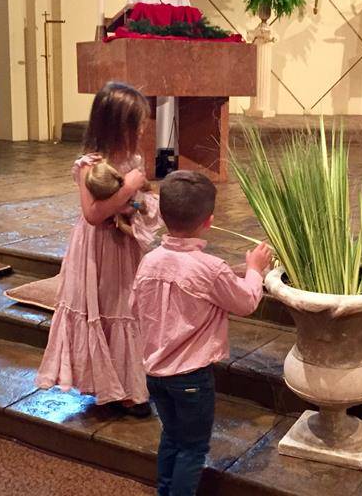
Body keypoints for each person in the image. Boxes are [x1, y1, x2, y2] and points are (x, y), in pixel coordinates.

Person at [131, 170, 273, 495]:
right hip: (191, 378)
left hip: (154, 372)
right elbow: (247, 301)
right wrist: (255, 269)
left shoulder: (149, 261)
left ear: (164, 216)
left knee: (171, 436)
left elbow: (136, 306)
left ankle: (164, 490)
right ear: (208, 220)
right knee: (192, 449)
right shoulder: (211, 269)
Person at [35, 81, 152, 416]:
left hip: (123, 245)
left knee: (124, 306)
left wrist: (138, 204)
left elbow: (136, 201)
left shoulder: (134, 158)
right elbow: (93, 213)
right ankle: (104, 384)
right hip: (96, 248)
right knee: (100, 307)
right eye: (136, 123)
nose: (142, 129)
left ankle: (128, 387)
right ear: (116, 125)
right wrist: (127, 188)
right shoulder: (90, 164)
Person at [127, 0, 190, 162]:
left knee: (173, 104)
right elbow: (130, 20)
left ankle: (171, 154)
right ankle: (150, 155)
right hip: (148, 63)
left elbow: (190, 22)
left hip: (175, 61)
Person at [84, 159, 164, 251]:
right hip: (154, 210)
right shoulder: (132, 184)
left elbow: (130, 229)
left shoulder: (121, 205)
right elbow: (147, 187)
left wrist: (122, 224)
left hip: (145, 222)